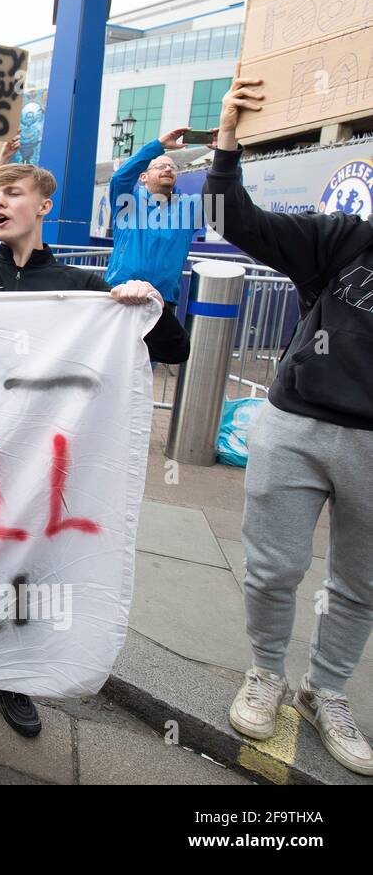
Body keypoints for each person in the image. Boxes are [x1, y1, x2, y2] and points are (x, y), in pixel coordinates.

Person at [0, 61, 191, 740]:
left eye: (12, 194)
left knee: (27, 563)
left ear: (42, 206)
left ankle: (12, 676)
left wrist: (146, 301)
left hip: (44, 457)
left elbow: (172, 349)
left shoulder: (79, 285)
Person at [211, 70, 373, 777]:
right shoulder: (347, 240)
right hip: (297, 426)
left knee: (362, 586)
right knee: (274, 569)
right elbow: (231, 219)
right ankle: (266, 673)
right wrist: (226, 140)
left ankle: (326, 692)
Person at [105, 127, 207, 304]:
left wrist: (226, 153)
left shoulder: (190, 207)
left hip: (164, 300)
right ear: (143, 177)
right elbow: (120, 178)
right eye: (160, 166)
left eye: (172, 167)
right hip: (122, 295)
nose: (168, 169)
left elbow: (227, 200)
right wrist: (158, 146)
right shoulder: (127, 202)